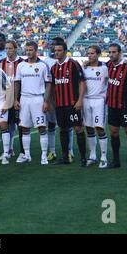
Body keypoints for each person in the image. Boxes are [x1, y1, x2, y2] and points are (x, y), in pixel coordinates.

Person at [50, 38, 88, 167]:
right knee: (63, 129)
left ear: (65, 51)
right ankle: (65, 157)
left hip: (72, 104)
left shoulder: (73, 64)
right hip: (60, 105)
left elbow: (82, 82)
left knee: (78, 128)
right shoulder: (54, 67)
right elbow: (53, 86)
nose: (57, 53)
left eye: (60, 51)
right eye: (55, 51)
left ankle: (83, 158)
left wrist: (80, 100)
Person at [14, 42, 52, 164]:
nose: (28, 52)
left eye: (31, 50)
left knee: (41, 127)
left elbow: (48, 83)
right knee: (24, 127)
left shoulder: (43, 65)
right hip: (24, 99)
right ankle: (27, 155)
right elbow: (17, 83)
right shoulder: (20, 66)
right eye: (27, 50)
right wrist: (15, 99)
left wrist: (46, 101)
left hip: (38, 99)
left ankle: (44, 156)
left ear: (36, 51)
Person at [105, 43, 127, 170]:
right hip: (112, 105)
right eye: (110, 52)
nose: (111, 54)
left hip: (125, 105)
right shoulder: (107, 65)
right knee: (113, 132)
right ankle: (116, 161)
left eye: (114, 52)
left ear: (119, 53)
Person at [82, 45, 109, 168]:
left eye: (92, 53)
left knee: (99, 128)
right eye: (89, 53)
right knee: (89, 128)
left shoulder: (104, 68)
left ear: (98, 54)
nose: (90, 55)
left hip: (99, 101)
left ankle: (103, 157)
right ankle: (92, 155)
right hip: (86, 100)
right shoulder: (84, 68)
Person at [0, 40, 24, 160]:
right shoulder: (1, 64)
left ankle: (24, 152)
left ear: (15, 49)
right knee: (8, 125)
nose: (8, 51)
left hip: (20, 99)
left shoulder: (22, 63)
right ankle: (9, 150)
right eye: (6, 48)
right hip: (6, 99)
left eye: (10, 48)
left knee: (22, 125)